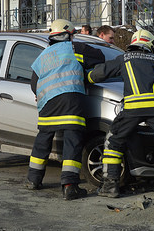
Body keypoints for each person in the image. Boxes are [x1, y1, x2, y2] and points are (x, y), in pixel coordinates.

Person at [88, 29, 154, 198]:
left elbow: (99, 74)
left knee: (113, 141)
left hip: (132, 110)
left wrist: (87, 77)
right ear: (150, 45)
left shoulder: (124, 58)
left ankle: (110, 186)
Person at [26, 19, 100, 200]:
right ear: (67, 34)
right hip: (71, 102)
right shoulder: (76, 50)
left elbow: (33, 83)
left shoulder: (42, 56)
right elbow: (100, 57)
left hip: (47, 105)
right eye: (73, 35)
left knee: (42, 141)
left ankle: (33, 180)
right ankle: (69, 185)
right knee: (72, 141)